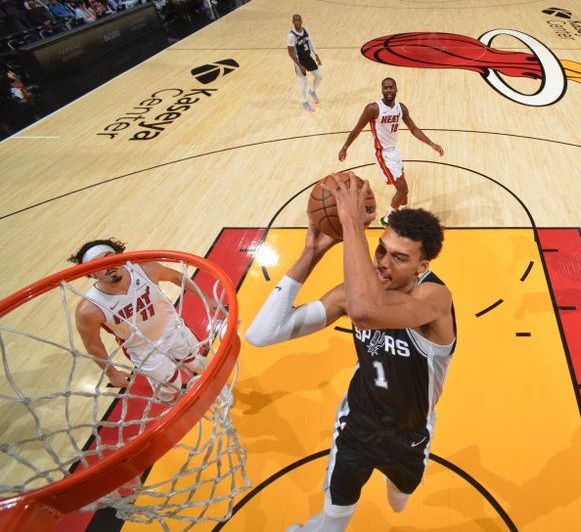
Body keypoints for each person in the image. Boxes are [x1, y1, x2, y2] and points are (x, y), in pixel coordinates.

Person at [245, 172, 456, 531]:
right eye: (381, 250)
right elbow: (262, 334)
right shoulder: (353, 293)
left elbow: (366, 311)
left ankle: (397, 483)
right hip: (357, 427)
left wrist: (352, 225)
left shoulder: (435, 299)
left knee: (400, 501)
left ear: (423, 267)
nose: (383, 263)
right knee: (333, 519)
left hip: (411, 432)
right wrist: (310, 253)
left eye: (400, 258)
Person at [70, 238, 218, 400]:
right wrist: (111, 373)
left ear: (118, 256)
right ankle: (167, 398)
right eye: (97, 264)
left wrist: (208, 299)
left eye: (108, 257)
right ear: (91, 273)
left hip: (172, 329)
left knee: (198, 363)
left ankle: (218, 386)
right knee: (172, 385)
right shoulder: (89, 309)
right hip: (143, 348)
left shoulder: (145, 269)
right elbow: (93, 344)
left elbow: (176, 277)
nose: (107, 266)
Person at [337, 78, 444, 227]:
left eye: (391, 87)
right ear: (381, 90)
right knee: (403, 188)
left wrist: (431, 143)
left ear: (396, 89)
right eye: (385, 88)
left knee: (403, 189)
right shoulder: (373, 108)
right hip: (382, 154)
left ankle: (403, 212)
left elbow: (414, 129)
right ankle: (388, 218)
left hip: (395, 152)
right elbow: (357, 128)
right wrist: (345, 147)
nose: (388, 90)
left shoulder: (401, 108)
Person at [287, 13, 322, 113]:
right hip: (299, 60)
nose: (297, 22)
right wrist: (300, 65)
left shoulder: (305, 30)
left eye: (298, 20)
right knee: (304, 80)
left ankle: (312, 91)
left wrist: (316, 55)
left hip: (307, 57)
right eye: (295, 21)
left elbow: (310, 42)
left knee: (319, 76)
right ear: (293, 22)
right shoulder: (291, 36)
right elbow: (290, 52)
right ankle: (304, 102)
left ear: (301, 21)